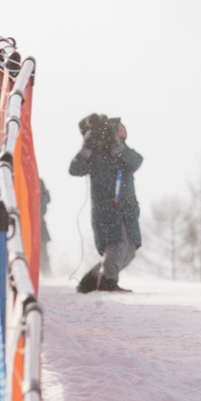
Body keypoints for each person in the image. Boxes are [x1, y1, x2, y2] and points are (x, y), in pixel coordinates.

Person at [71, 114, 143, 292]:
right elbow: (75, 169)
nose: (120, 132)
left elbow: (137, 161)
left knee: (130, 250)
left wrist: (117, 146)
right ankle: (107, 281)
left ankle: (91, 281)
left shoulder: (122, 152)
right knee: (116, 245)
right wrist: (86, 148)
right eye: (117, 130)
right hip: (107, 209)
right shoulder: (96, 155)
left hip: (127, 209)